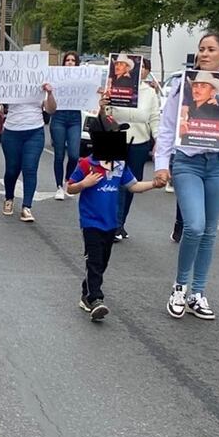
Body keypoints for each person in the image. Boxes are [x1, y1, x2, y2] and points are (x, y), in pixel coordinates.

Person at [153, 32, 219, 320]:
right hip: (189, 162)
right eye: (201, 49)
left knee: (210, 230)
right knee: (194, 226)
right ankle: (180, 287)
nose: (204, 54)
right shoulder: (182, 85)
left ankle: (198, 292)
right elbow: (167, 126)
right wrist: (162, 163)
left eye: (211, 49)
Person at [68, 134, 161, 321]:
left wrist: (154, 184)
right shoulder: (87, 164)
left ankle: (87, 294)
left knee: (102, 262)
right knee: (94, 261)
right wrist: (83, 184)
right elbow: (70, 187)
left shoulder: (120, 166)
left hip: (110, 224)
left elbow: (133, 186)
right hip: (91, 222)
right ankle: (96, 299)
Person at [103, 57, 162, 241]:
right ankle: (109, 223)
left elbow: (154, 118)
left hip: (138, 141)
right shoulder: (111, 87)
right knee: (110, 182)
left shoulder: (149, 93)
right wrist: (103, 103)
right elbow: (104, 115)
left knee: (130, 185)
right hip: (112, 138)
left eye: (143, 67)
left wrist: (158, 139)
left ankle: (119, 223)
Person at [1, 79, 57, 222]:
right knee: (12, 170)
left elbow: (51, 109)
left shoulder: (41, 84)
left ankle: (27, 207)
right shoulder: (8, 83)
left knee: (30, 168)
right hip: (12, 131)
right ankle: (9, 198)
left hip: (34, 131)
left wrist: (49, 93)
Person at [50, 51, 84, 200]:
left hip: (74, 118)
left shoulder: (82, 78)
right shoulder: (56, 78)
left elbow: (89, 92)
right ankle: (58, 186)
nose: (70, 62)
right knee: (58, 154)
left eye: (73, 60)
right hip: (59, 116)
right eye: (67, 60)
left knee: (74, 155)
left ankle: (67, 181)